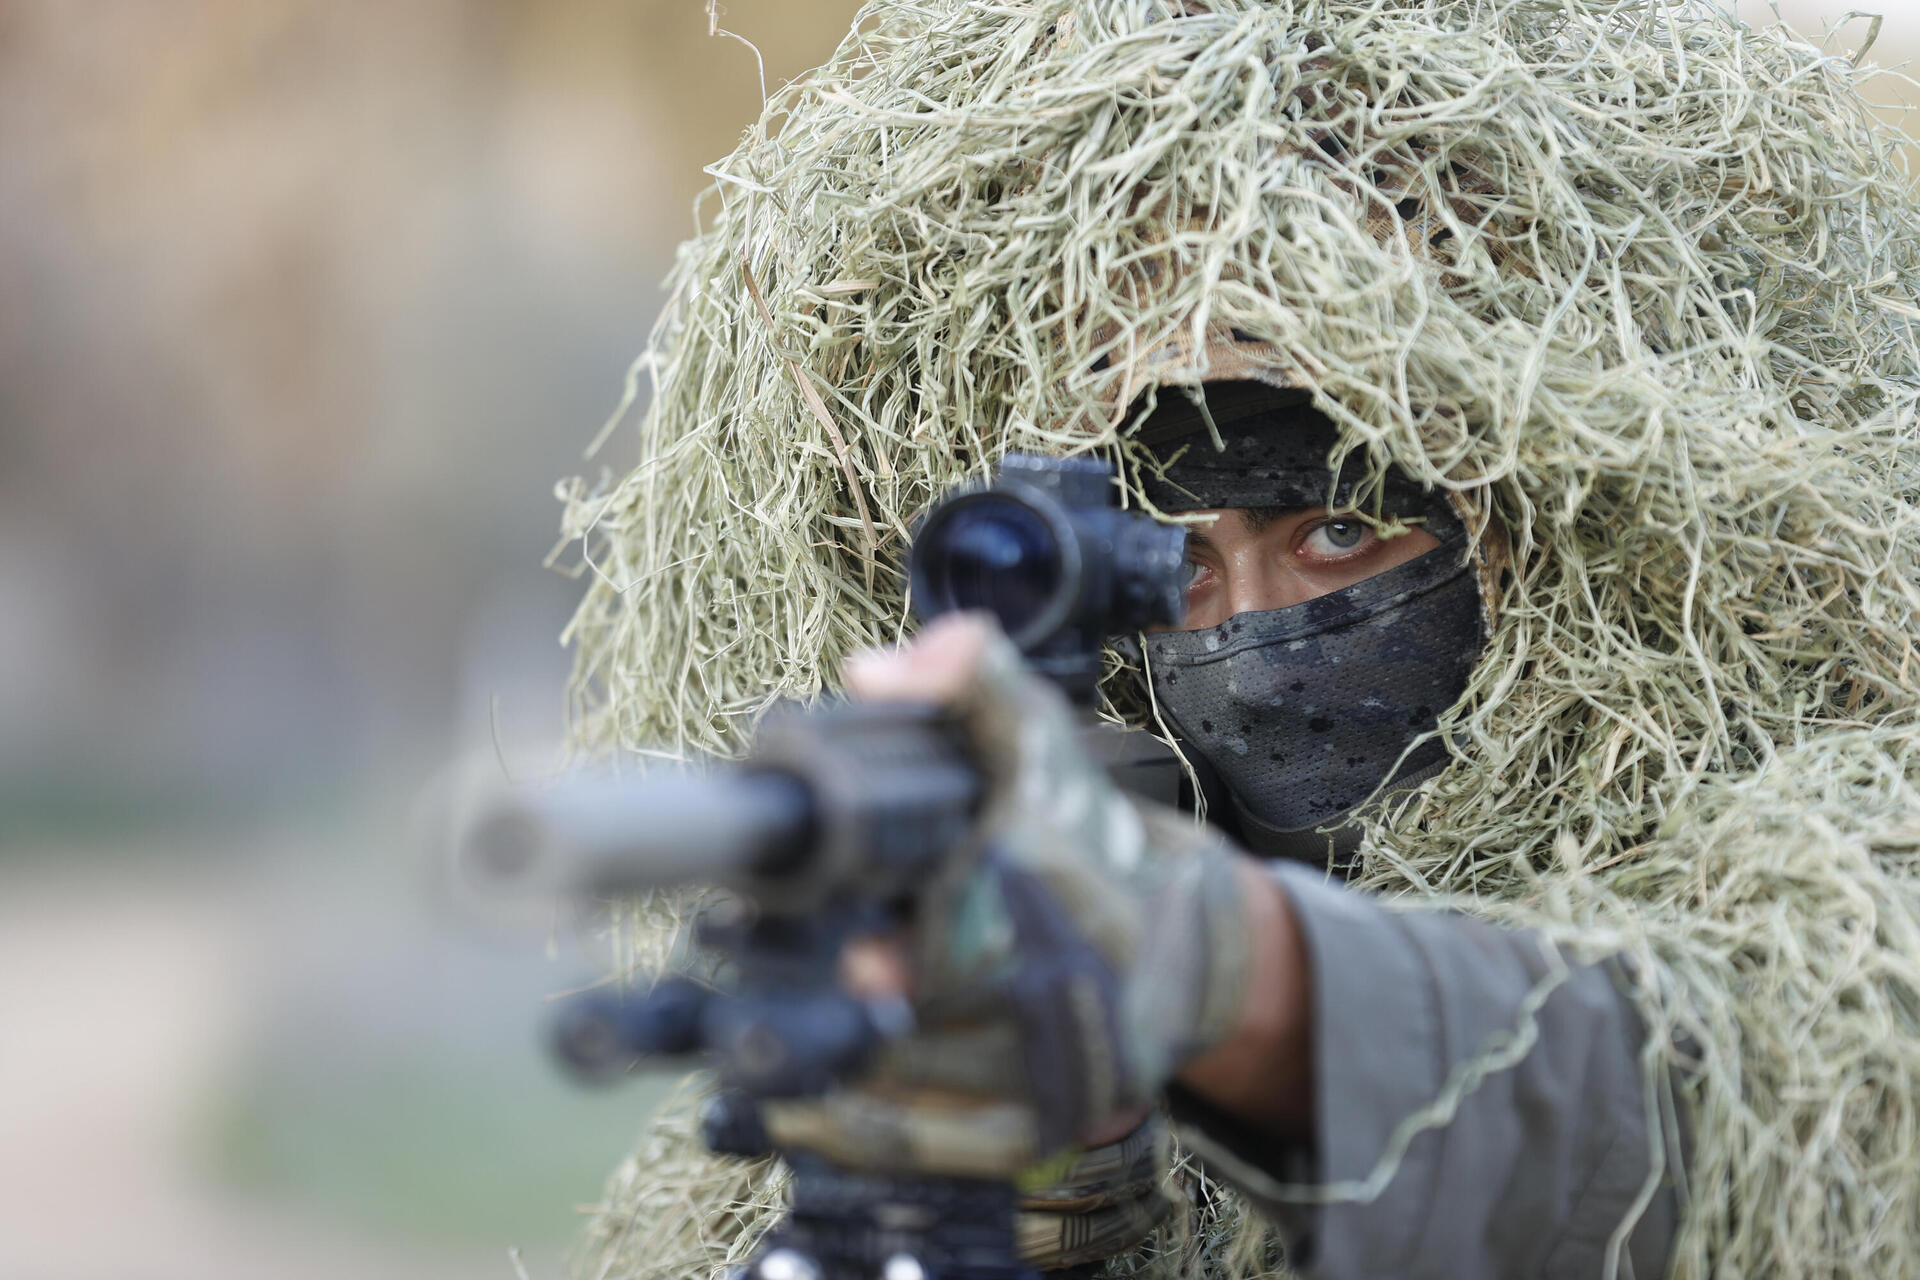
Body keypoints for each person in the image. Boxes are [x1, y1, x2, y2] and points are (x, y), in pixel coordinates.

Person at [563, 2, 1920, 1277]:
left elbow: (1694, 1111)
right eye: (1183, 569)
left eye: (1340, 533)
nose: (1259, 644)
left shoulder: (1844, 861)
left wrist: (1216, 969)